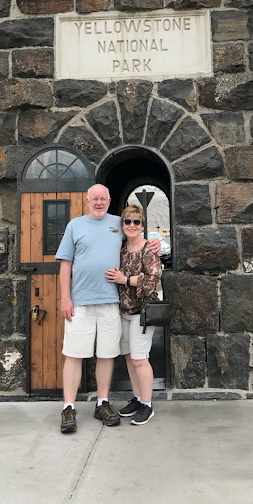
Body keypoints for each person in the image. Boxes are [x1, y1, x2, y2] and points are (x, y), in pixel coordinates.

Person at [56, 184, 160, 434]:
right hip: (80, 302)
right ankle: (68, 407)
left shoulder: (118, 223)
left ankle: (102, 402)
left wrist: (155, 242)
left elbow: (137, 238)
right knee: (74, 354)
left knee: (106, 354)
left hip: (111, 302)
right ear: (87, 201)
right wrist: (65, 298)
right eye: (95, 198)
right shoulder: (75, 225)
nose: (99, 202)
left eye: (103, 198)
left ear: (109, 200)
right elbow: (65, 264)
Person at [105, 203, 162, 426]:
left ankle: (147, 405)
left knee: (140, 359)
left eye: (136, 221)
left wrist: (125, 280)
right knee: (129, 357)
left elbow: (152, 279)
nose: (132, 225)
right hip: (122, 311)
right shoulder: (119, 248)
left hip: (141, 313)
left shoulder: (149, 249)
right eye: (127, 221)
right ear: (122, 224)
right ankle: (138, 399)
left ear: (142, 225)